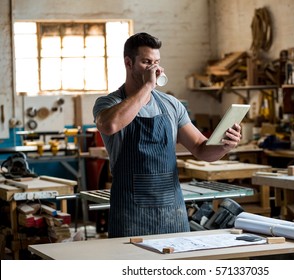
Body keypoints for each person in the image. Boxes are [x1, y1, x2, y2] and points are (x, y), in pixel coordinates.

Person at [93, 32, 242, 238]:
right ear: (128, 63)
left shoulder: (171, 105)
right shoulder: (109, 103)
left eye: (157, 62)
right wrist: (147, 86)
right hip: (131, 212)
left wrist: (224, 145)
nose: (154, 69)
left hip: (172, 211)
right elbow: (110, 125)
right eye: (146, 62)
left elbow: (200, 148)